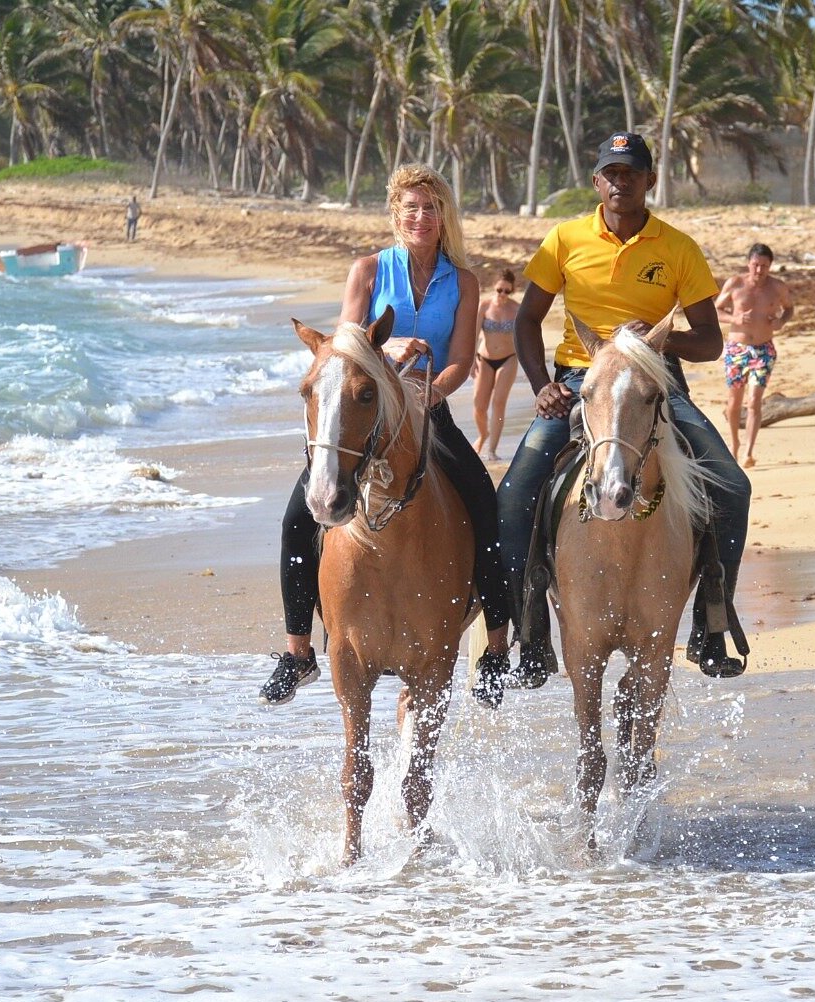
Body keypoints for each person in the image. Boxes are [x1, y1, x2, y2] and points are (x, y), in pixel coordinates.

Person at [498, 131, 752, 683]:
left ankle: (711, 624)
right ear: (596, 182)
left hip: (656, 383)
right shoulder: (564, 240)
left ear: (649, 181)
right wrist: (543, 385)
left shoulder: (677, 247)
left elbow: (710, 341)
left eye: (631, 173)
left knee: (732, 486)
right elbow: (525, 321)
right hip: (579, 379)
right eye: (611, 174)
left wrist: (656, 342)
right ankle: (529, 632)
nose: (621, 183)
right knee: (515, 493)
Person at [259, 163, 512, 708]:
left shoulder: (463, 281)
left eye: (431, 207)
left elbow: (463, 361)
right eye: (411, 208)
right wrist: (388, 354)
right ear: (396, 215)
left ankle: (495, 647)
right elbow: (344, 346)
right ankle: (298, 650)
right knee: (297, 517)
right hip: (365, 410)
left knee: (487, 506)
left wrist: (428, 395)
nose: (421, 217)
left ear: (444, 215)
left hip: (427, 410)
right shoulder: (370, 270)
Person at [714, 243, 794, 467]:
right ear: (748, 263)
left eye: (764, 266)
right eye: (756, 265)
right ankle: (734, 443)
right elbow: (716, 309)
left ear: (770, 266)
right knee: (734, 402)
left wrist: (781, 321)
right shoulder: (735, 283)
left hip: (763, 349)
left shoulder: (777, 287)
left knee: (755, 401)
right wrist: (735, 319)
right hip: (736, 349)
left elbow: (789, 308)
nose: (759, 271)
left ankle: (749, 451)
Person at [471, 268, 520, 461]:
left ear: (512, 290)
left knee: (499, 403)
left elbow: (525, 336)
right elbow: (473, 335)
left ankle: (492, 450)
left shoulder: (516, 309)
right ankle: (483, 435)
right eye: (500, 290)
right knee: (479, 406)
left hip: (508, 359)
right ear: (494, 287)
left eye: (507, 291)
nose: (503, 295)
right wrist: (469, 362)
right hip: (484, 359)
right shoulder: (484, 306)